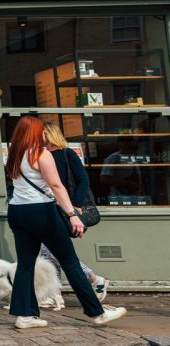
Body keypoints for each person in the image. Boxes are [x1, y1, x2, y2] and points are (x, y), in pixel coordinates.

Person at [5, 116, 126, 328]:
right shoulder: (41, 153)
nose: (44, 135)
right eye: (41, 131)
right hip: (41, 211)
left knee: (25, 264)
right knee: (69, 261)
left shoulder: (15, 155)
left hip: (16, 211)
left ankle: (25, 316)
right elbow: (56, 186)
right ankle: (96, 313)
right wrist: (72, 215)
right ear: (36, 133)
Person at [41, 123, 107, 298]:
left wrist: (75, 205)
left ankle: (91, 280)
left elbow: (83, 180)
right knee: (49, 248)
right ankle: (56, 293)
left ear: (49, 134)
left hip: (65, 207)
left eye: (41, 134)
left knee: (53, 248)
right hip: (49, 207)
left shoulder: (66, 153)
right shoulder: (42, 155)